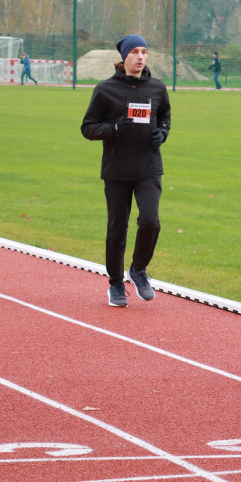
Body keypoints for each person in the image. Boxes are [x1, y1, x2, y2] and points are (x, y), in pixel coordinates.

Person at [81, 35, 171, 307]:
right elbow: (88, 128)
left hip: (148, 169)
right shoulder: (105, 89)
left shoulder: (157, 88)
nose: (140, 56)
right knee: (117, 230)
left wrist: (162, 134)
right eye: (134, 52)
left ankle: (139, 270)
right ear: (124, 57)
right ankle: (116, 285)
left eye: (144, 51)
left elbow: (165, 116)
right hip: (117, 170)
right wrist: (115, 128)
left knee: (150, 221)